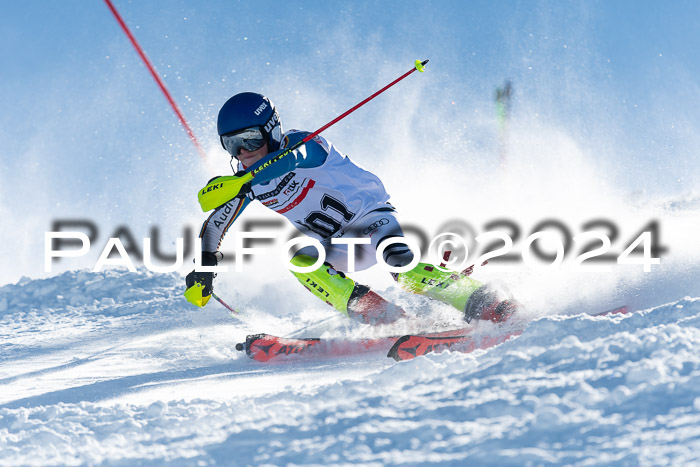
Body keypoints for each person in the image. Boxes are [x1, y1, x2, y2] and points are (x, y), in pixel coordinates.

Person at [185, 92, 517, 325]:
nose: (243, 152)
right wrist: (205, 267)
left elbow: (294, 159)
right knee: (301, 261)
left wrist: (246, 181)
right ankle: (380, 316)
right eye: (232, 145)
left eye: (250, 140)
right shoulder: (247, 181)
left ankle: (486, 302)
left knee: (404, 269)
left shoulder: (304, 145)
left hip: (373, 219)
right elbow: (216, 223)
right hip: (339, 243)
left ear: (271, 131)